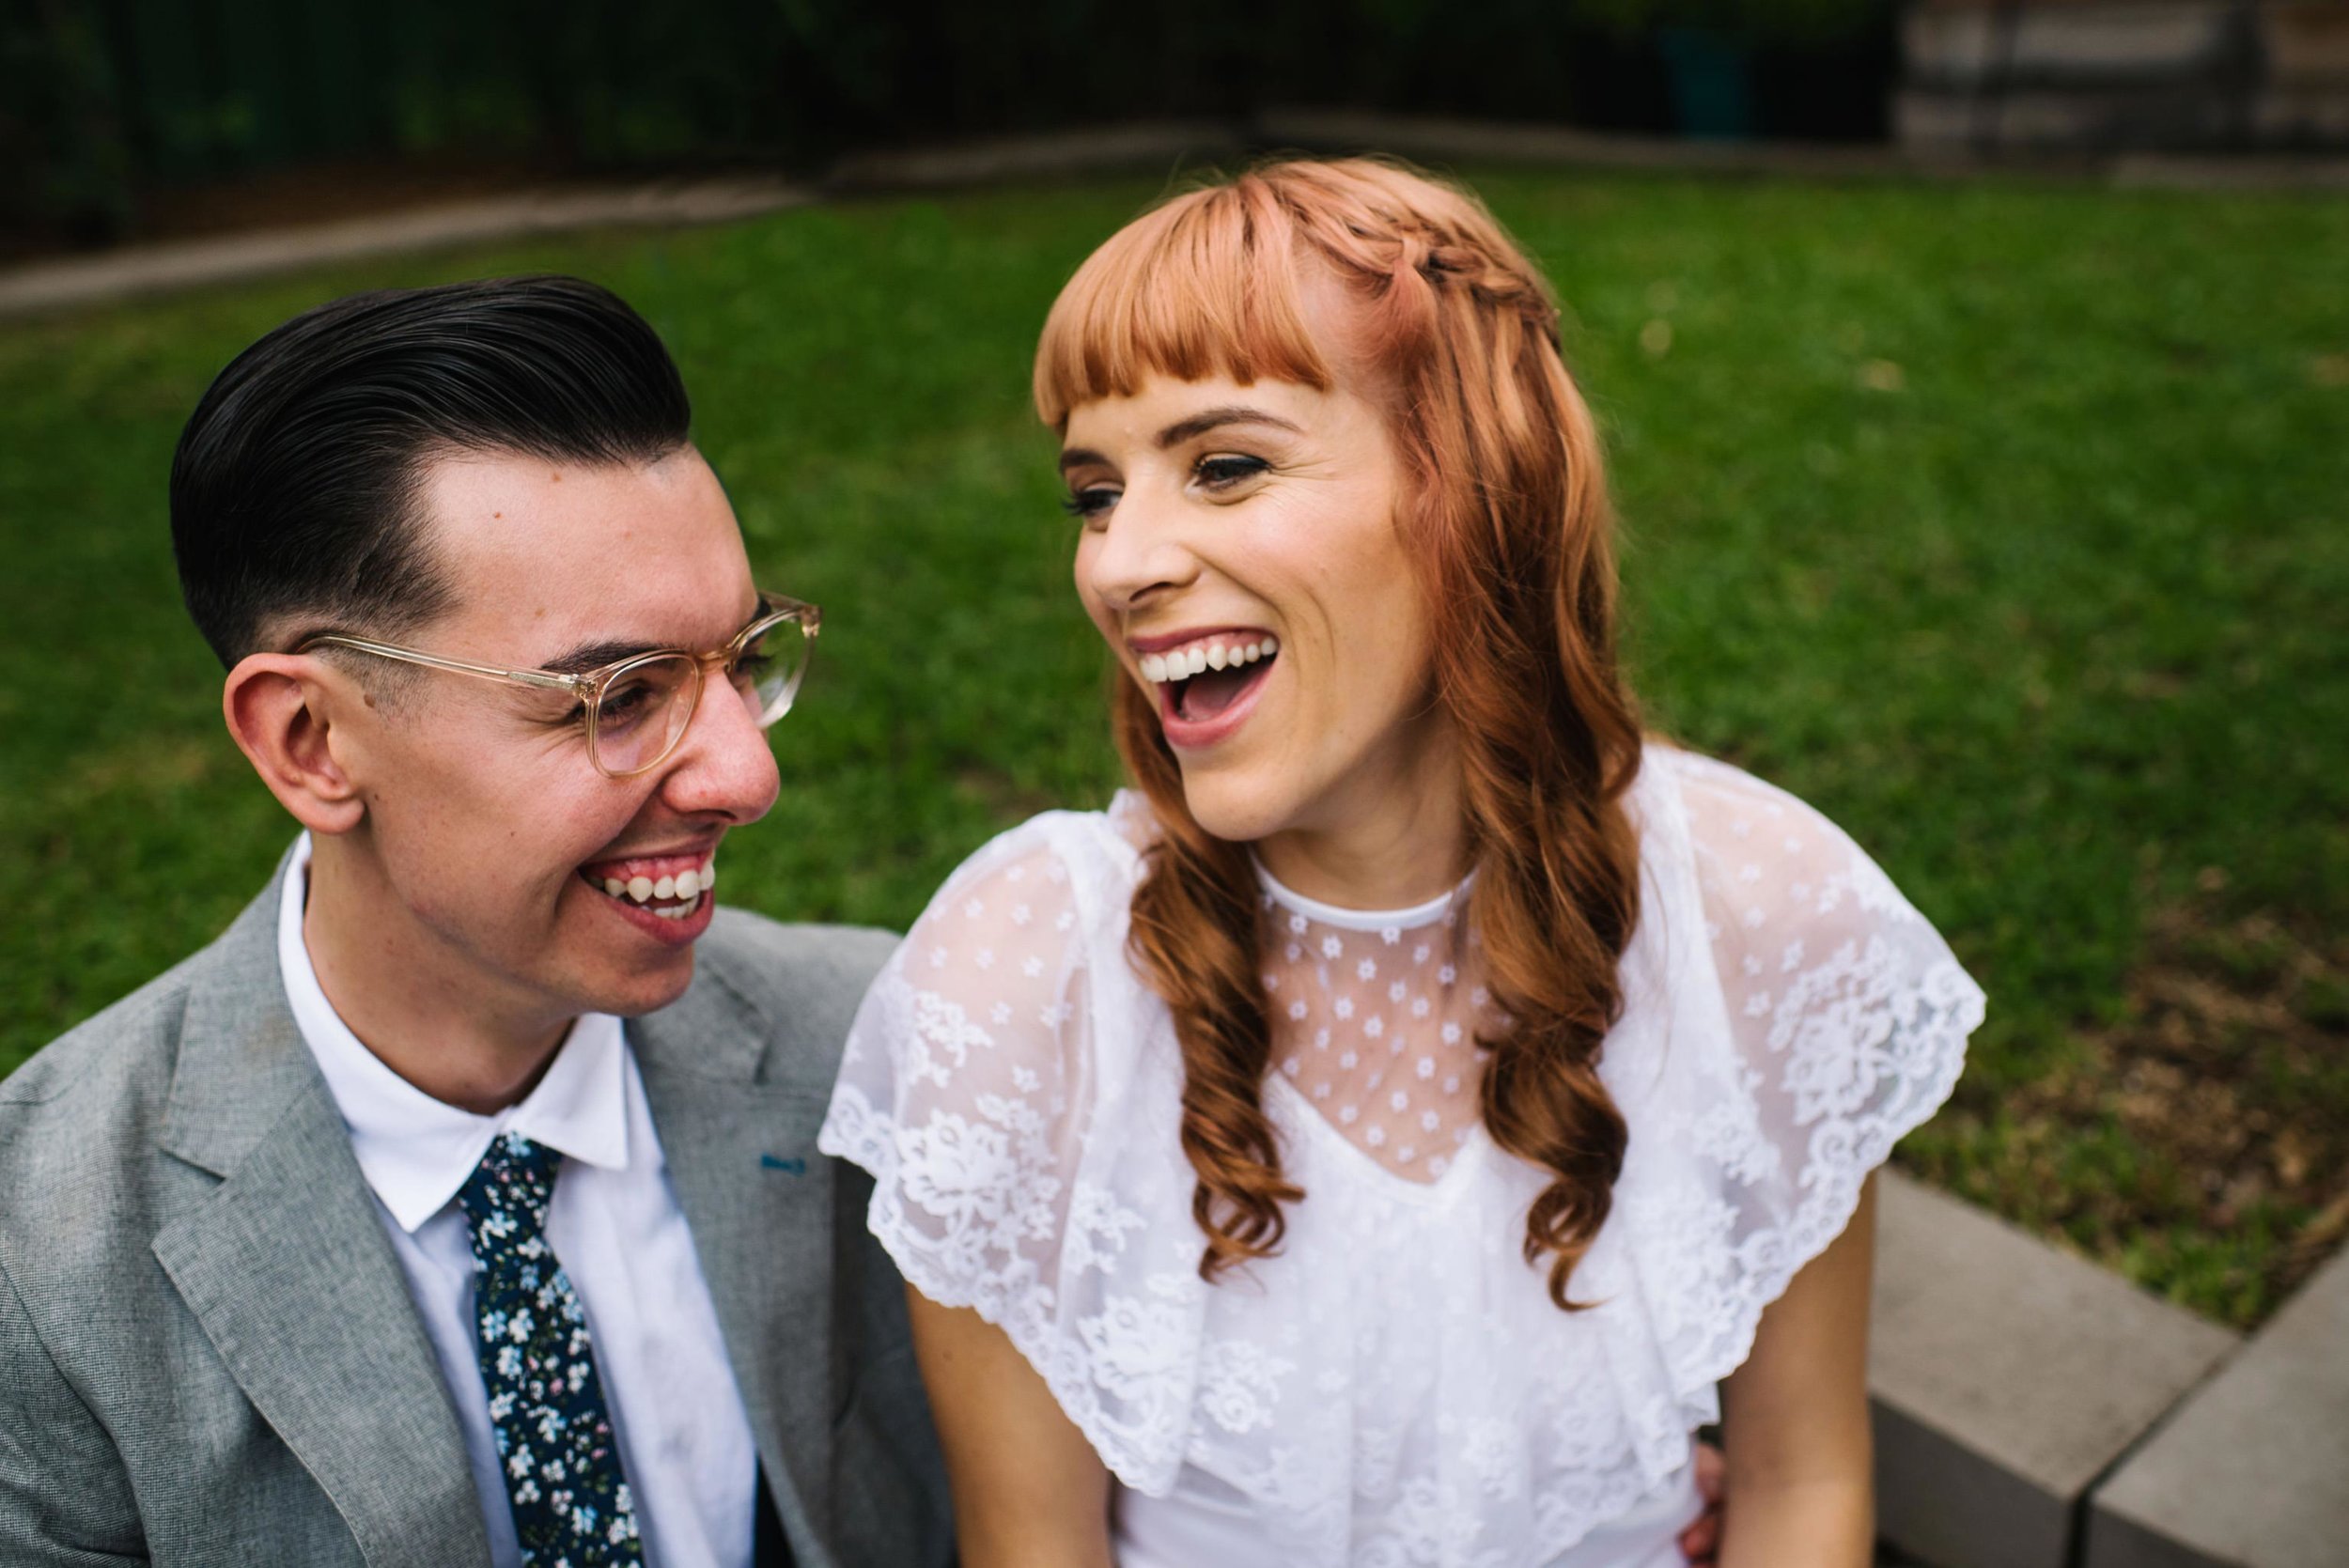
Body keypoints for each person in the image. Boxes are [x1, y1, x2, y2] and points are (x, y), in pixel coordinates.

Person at [818, 159, 1984, 1567]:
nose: (1119, 564)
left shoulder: (1763, 913)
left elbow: (1800, 1490)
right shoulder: (1024, 982)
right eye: (1092, 493)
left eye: (1225, 464)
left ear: (1473, 486)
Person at [0, 276, 951, 1568]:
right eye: (619, 694)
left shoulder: (883, 1052)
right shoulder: (42, 1267)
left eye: (741, 662)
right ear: (312, 739)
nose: (746, 775)